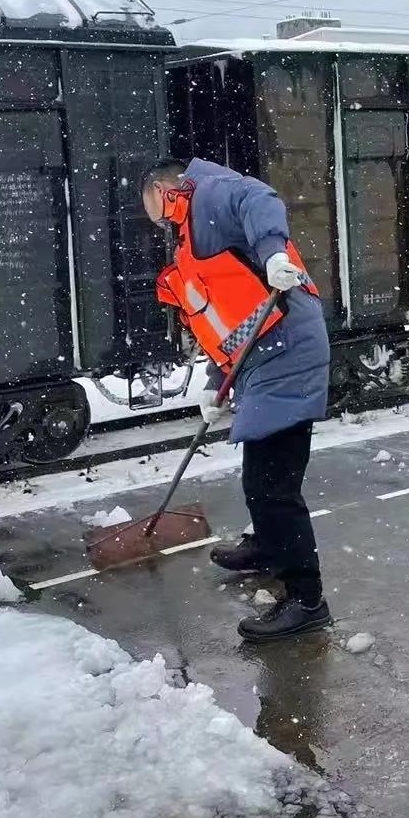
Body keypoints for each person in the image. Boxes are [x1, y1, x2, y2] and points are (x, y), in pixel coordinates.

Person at [141, 157, 333, 641]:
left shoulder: (212, 194)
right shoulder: (190, 234)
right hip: (259, 357)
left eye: (158, 206)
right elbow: (229, 319)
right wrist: (212, 381)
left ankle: (307, 601)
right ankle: (271, 547)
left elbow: (259, 198)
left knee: (271, 486)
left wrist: (273, 253)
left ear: (170, 188)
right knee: (265, 478)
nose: (161, 221)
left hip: (287, 350)